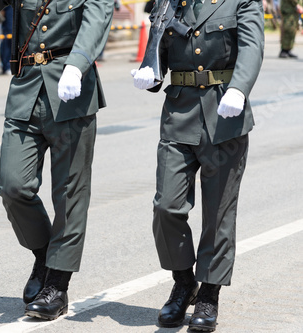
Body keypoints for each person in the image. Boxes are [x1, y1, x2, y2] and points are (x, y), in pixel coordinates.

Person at [0, 0, 113, 321]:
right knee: (12, 186)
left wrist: (77, 64)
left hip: (71, 88)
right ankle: (45, 254)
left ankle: (57, 285)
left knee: (70, 194)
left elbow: (97, 19)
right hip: (26, 88)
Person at [131, 0, 264, 330]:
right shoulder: (168, 2)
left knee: (218, 213)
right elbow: (158, 48)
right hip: (179, 114)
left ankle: (209, 294)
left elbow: (252, 46)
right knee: (166, 207)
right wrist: (151, 73)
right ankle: (182, 281)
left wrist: (239, 88)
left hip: (224, 113)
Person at [0, 5, 12, 75]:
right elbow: (2, 11)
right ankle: (6, 67)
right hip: (8, 25)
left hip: (13, 24)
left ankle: (7, 66)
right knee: (7, 47)